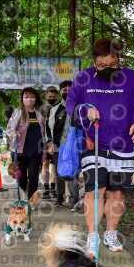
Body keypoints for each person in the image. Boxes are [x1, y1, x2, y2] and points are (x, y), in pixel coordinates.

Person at [66, 37, 134, 255]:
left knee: (117, 194)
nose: (108, 69)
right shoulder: (84, 78)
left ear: (119, 60)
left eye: (112, 65)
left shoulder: (130, 77)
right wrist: (85, 111)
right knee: (95, 190)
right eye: (102, 65)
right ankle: (92, 236)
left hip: (123, 144)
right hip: (94, 142)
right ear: (94, 62)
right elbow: (71, 104)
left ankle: (111, 234)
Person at [6, 87, 47, 200]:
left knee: (34, 176)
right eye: (26, 97)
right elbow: (9, 128)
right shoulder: (18, 112)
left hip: (36, 150)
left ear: (36, 98)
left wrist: (45, 149)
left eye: (31, 97)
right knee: (21, 176)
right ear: (22, 99)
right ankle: (25, 189)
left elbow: (44, 133)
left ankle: (30, 200)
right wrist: (13, 133)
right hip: (20, 150)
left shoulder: (40, 114)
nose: (29, 99)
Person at [46, 80, 80, 210]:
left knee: (74, 172)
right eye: (64, 90)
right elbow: (48, 128)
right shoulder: (54, 109)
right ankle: (59, 198)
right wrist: (50, 144)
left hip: (74, 147)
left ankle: (74, 200)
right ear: (60, 92)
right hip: (58, 146)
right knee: (59, 173)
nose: (67, 93)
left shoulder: (78, 108)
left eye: (70, 90)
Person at [41, 86, 59, 198]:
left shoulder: (59, 106)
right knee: (45, 163)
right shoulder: (40, 108)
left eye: (54, 96)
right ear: (46, 95)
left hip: (55, 139)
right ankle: (46, 187)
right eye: (50, 96)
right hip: (43, 139)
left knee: (54, 165)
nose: (52, 98)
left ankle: (53, 187)